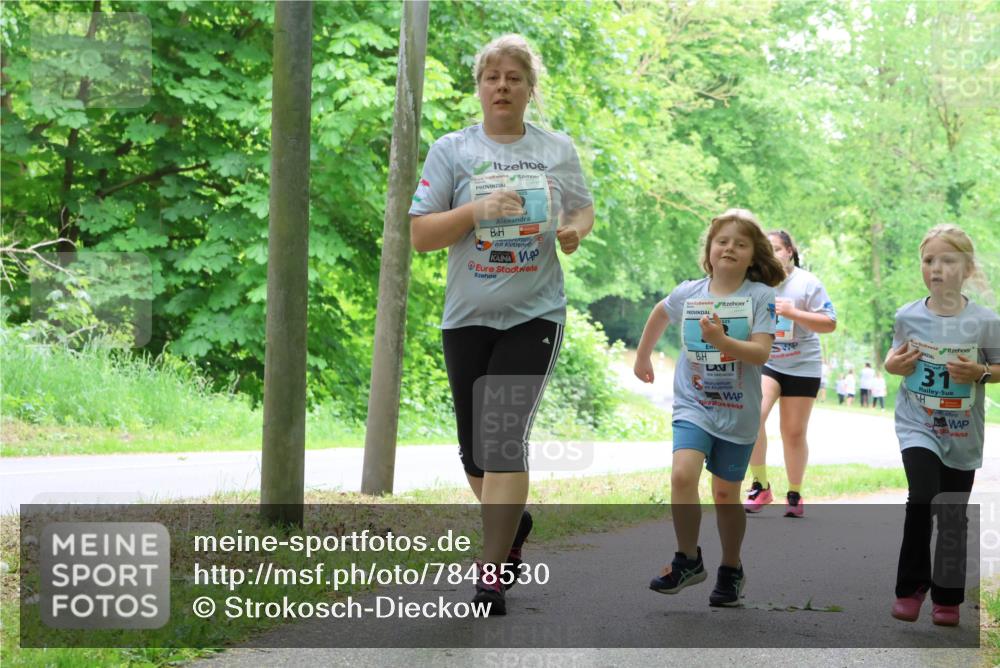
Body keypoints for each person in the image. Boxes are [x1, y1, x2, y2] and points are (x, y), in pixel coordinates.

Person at [409, 34, 595, 616]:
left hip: (535, 313)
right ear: (479, 88)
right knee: (474, 458)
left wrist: (575, 230)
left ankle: (489, 577)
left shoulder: (556, 149)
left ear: (529, 88)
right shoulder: (452, 150)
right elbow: (420, 236)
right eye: (492, 78)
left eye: (514, 77)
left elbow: (582, 206)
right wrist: (474, 212)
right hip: (467, 317)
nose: (503, 87)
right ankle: (512, 525)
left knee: (503, 439)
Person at [634, 208, 782, 607]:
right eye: (722, 241)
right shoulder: (689, 293)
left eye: (740, 243)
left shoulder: (761, 298)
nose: (730, 248)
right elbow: (659, 313)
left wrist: (721, 341)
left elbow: (760, 352)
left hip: (737, 411)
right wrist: (643, 356)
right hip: (693, 403)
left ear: (754, 255)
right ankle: (687, 560)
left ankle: (731, 569)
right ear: (710, 251)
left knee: (723, 495)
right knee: (683, 475)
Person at [884, 224, 999, 626]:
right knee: (922, 496)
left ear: (967, 268)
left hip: (963, 431)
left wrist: (981, 372)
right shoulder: (908, 315)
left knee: (952, 510)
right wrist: (891, 364)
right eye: (929, 260)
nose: (936, 268)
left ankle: (947, 598)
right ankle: (910, 588)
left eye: (947, 260)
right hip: (919, 423)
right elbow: (895, 358)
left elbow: (999, 368)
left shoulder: (985, 321)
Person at [744, 230, 837, 518]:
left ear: (790, 251)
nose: (772, 255)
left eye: (777, 249)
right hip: (769, 361)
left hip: (803, 365)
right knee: (753, 416)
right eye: (767, 250)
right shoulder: (756, 283)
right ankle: (760, 485)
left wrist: (793, 313)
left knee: (793, 433)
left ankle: (795, 493)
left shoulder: (808, 283)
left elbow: (829, 323)